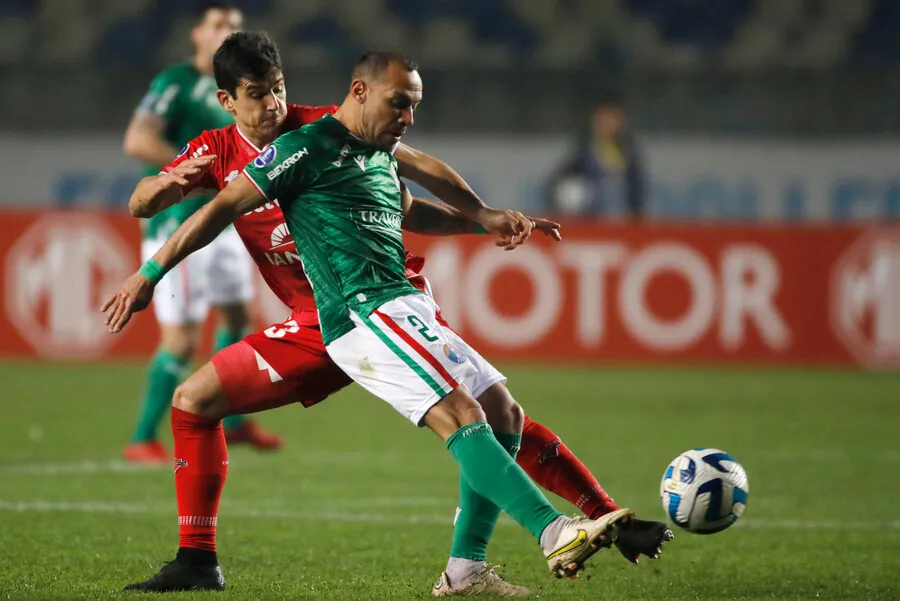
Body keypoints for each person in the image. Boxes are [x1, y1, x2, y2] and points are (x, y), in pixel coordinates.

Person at [105, 37, 671, 596]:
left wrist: (481, 216)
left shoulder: (329, 128)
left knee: (498, 411)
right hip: (330, 319)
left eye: (278, 89)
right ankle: (197, 560)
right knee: (195, 401)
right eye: (257, 95)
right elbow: (158, 204)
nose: (273, 104)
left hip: (384, 302)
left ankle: (513, 550)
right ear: (228, 101)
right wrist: (163, 190)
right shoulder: (226, 151)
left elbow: (409, 190)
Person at [121, 1, 280, 462]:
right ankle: (142, 436)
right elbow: (137, 139)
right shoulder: (178, 83)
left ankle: (233, 421)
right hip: (181, 221)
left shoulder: (241, 87)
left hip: (226, 220)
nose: (226, 30)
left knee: (237, 318)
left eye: (233, 24)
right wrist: (186, 172)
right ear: (197, 33)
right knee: (182, 340)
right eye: (217, 24)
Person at [546, 91, 645, 219]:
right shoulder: (582, 152)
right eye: (603, 117)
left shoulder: (629, 152)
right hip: (591, 222)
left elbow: (636, 192)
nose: (607, 123)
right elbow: (558, 187)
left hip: (621, 221)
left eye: (613, 117)